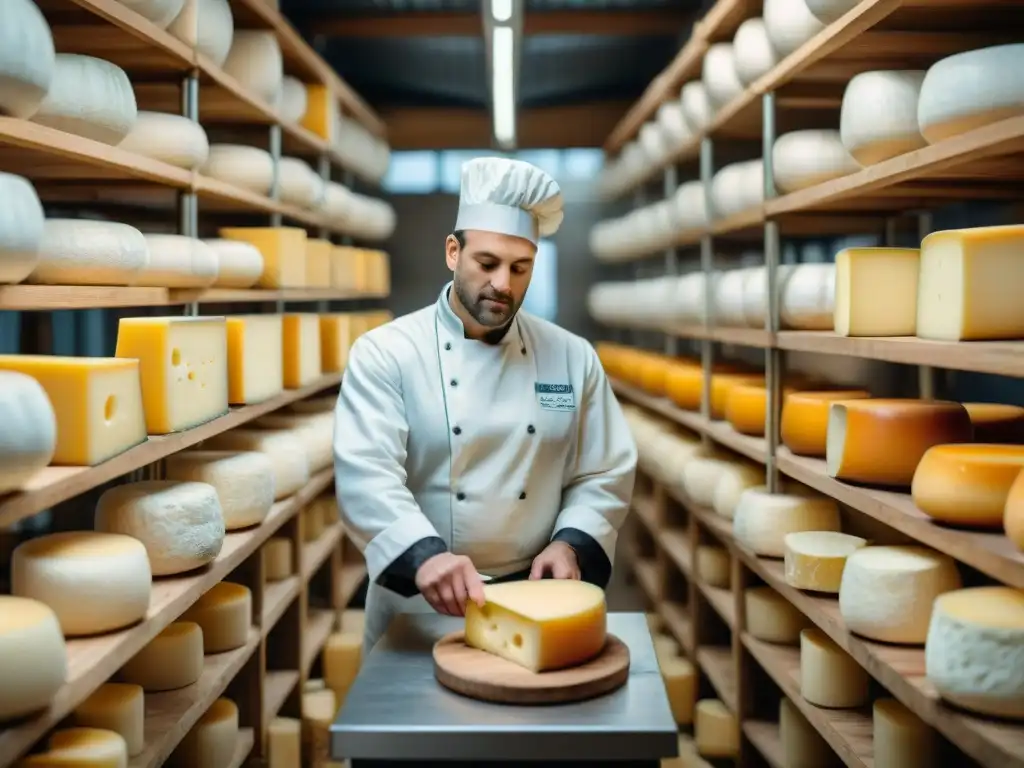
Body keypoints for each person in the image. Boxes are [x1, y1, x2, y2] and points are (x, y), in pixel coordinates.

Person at [333, 156, 638, 652]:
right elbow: (366, 473)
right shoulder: (387, 352)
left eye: (521, 268)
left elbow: (602, 472)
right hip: (419, 605)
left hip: (534, 608)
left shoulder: (571, 356)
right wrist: (424, 554)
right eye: (487, 263)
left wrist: (572, 542)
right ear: (453, 252)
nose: (504, 284)